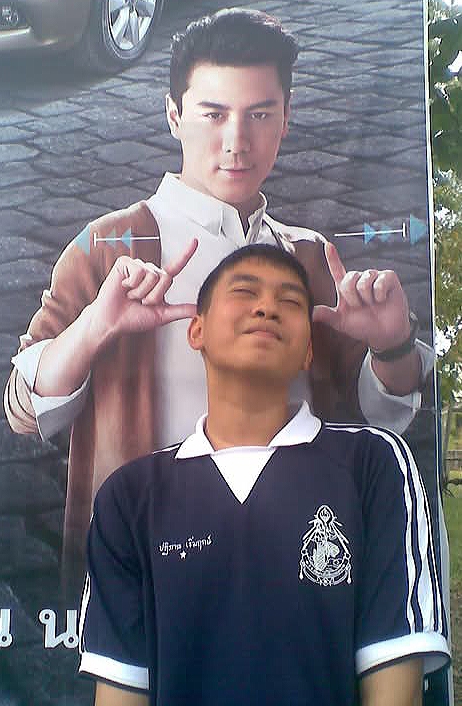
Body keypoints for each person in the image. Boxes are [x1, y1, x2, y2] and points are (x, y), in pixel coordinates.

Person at [3, 8, 433, 569]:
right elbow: (24, 410)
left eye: (260, 114)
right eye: (214, 114)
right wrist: (91, 331)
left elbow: (378, 417)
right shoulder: (107, 245)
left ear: (286, 118)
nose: (237, 142)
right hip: (145, 562)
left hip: (296, 556)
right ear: (174, 115)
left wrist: (391, 345)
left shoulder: (309, 256)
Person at [78, 244, 449, 706]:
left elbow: (395, 686)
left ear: (308, 350)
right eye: (244, 292)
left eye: (290, 301)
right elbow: (120, 692)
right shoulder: (129, 497)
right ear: (197, 330)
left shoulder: (374, 464)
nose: (267, 307)